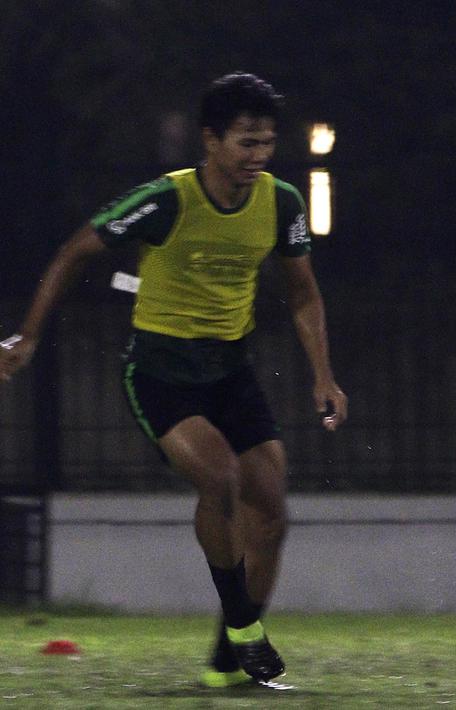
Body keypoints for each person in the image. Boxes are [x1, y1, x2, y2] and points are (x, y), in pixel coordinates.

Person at [0, 72, 348, 687]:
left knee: (270, 512)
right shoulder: (165, 200)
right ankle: (245, 627)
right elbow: (73, 251)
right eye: (246, 142)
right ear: (210, 140)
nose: (258, 156)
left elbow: (302, 294)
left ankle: (226, 666)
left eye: (267, 143)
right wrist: (28, 336)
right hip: (161, 375)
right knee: (221, 477)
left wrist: (323, 374)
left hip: (231, 372)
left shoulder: (281, 202)